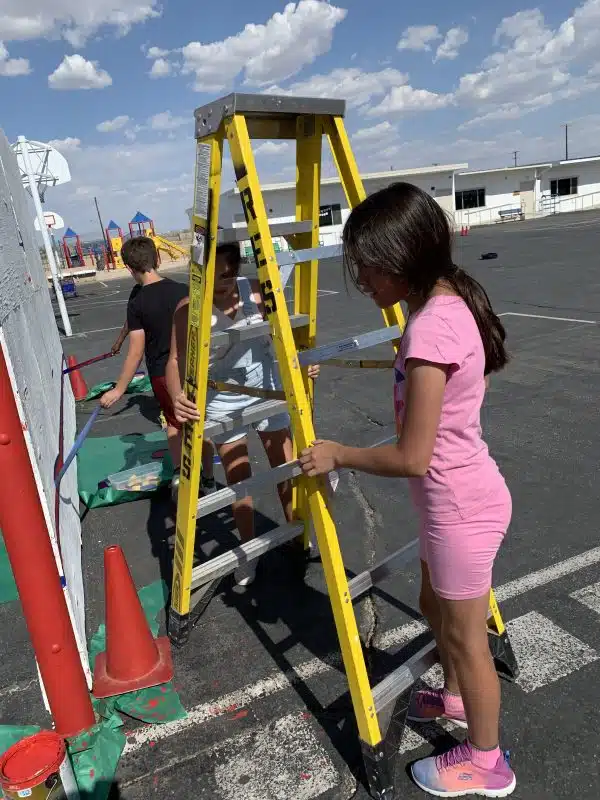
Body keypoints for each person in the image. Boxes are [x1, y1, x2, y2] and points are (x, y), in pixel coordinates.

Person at [299, 183, 515, 798]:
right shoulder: (444, 307)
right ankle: (455, 698)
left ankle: (486, 762)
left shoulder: (431, 329)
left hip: (460, 507)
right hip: (458, 500)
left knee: (468, 640)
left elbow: (413, 457)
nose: (361, 279)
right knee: (434, 608)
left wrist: (339, 453)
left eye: (368, 266)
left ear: (402, 259)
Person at [166, 241, 318, 586]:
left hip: (266, 386)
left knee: (285, 467)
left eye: (228, 274)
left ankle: (297, 535)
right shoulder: (188, 309)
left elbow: (284, 337)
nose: (222, 282)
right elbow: (174, 361)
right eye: (213, 275)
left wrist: (302, 362)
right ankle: (249, 551)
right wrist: (176, 396)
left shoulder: (255, 292)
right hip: (222, 400)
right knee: (239, 479)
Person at [100, 236, 188, 467]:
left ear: (129, 268)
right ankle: (205, 474)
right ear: (157, 258)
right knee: (197, 420)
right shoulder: (183, 290)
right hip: (192, 368)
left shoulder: (137, 300)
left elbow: (136, 352)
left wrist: (119, 389)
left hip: (162, 374)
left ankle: (180, 473)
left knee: (175, 423)